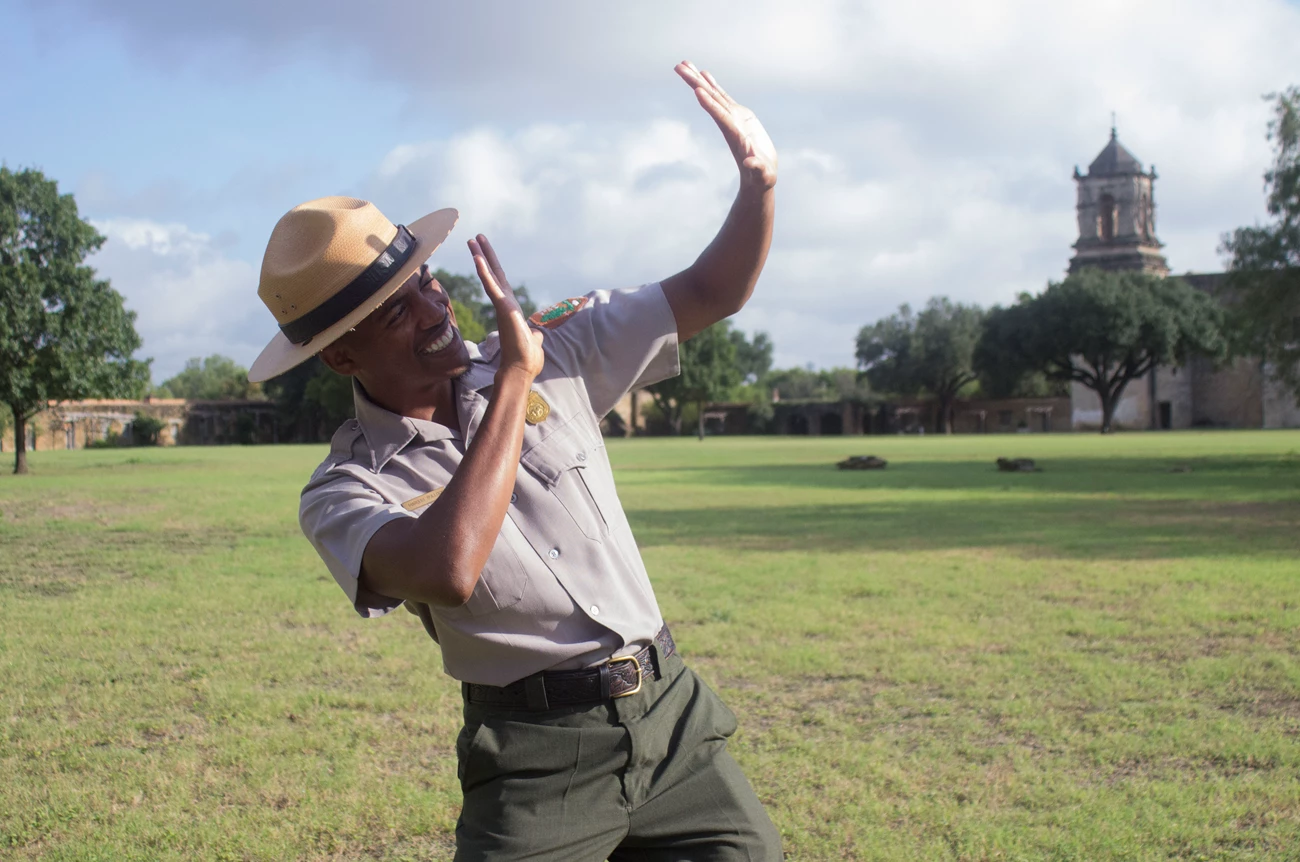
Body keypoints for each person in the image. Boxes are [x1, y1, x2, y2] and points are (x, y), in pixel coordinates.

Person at [248, 61, 779, 861]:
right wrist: (515, 383)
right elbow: (451, 568)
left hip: (670, 720)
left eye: (427, 282)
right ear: (341, 360)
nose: (436, 309)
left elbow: (714, 288)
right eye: (399, 312)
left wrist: (758, 184)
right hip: (538, 760)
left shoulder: (551, 347)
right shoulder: (346, 489)